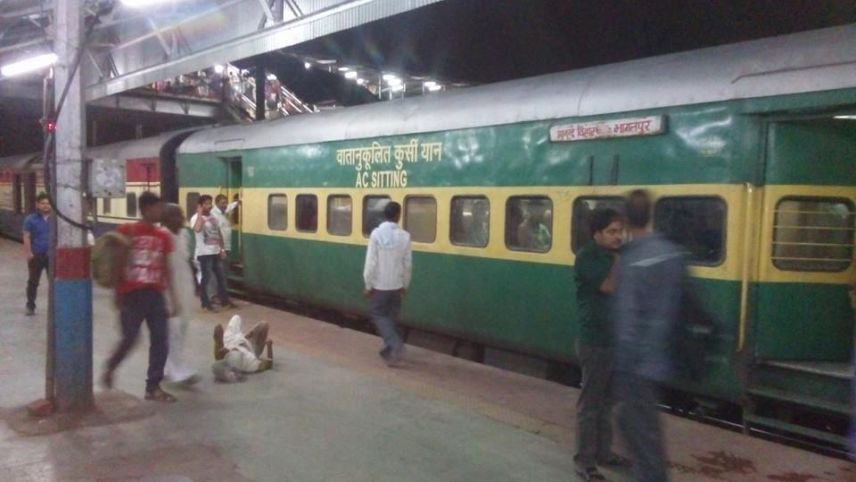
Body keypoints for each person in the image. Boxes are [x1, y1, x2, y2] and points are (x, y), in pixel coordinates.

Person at [613, 189, 685, 482]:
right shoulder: (669, 252)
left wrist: (623, 364)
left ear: (627, 220)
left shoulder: (633, 258)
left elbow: (628, 320)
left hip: (637, 365)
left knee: (640, 437)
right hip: (662, 359)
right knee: (647, 435)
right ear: (650, 214)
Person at [102, 191, 179, 402]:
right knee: (130, 338)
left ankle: (153, 387)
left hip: (155, 294)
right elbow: (117, 261)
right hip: (131, 294)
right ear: (146, 209)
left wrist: (174, 297)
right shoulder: (127, 230)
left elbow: (167, 268)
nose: (161, 211)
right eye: (157, 208)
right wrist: (117, 292)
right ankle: (111, 365)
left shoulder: (163, 237)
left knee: (160, 340)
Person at [573, 208, 629, 481]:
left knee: (607, 403)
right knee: (590, 404)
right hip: (594, 341)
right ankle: (584, 461)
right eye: (612, 232)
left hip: (614, 341)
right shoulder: (587, 257)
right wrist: (621, 260)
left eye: (620, 231)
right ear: (597, 234)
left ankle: (604, 453)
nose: (619, 237)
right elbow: (609, 286)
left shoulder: (613, 255)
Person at [363, 201, 412, 366]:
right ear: (398, 215)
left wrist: (368, 285)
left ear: (385, 214)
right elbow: (408, 264)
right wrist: (405, 284)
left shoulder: (376, 235)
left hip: (380, 286)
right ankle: (389, 353)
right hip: (396, 286)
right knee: (391, 319)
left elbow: (371, 263)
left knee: (378, 315)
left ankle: (395, 345)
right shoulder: (405, 236)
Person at [161, 204, 199, 385]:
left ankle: (168, 367)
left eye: (182, 215)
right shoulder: (162, 237)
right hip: (168, 290)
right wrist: (171, 295)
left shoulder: (183, 235)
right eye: (177, 216)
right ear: (167, 219)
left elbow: (186, 260)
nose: (182, 219)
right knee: (172, 330)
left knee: (181, 328)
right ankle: (176, 370)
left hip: (184, 287)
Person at [190, 194, 234, 311]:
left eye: (210, 203)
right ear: (200, 206)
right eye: (206, 204)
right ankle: (205, 304)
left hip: (215, 252)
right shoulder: (195, 218)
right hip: (203, 253)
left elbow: (218, 233)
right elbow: (197, 229)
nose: (209, 206)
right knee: (206, 278)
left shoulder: (213, 217)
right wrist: (200, 214)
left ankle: (224, 301)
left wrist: (222, 249)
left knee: (220, 277)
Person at [212, 315, 272, 379]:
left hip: (232, 341)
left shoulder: (227, 348)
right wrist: (269, 346)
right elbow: (269, 364)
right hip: (250, 347)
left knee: (236, 317)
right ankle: (248, 336)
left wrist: (245, 336)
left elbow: (218, 328)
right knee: (264, 325)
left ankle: (222, 347)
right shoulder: (248, 360)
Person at [22, 192, 51, 316]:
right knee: (33, 282)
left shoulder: (55, 219)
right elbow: (26, 236)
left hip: (52, 256)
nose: (46, 206)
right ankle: (30, 305)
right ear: (37, 205)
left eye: (48, 203)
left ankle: (55, 307)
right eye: (43, 203)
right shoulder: (30, 219)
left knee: (54, 283)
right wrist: (28, 253)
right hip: (36, 255)